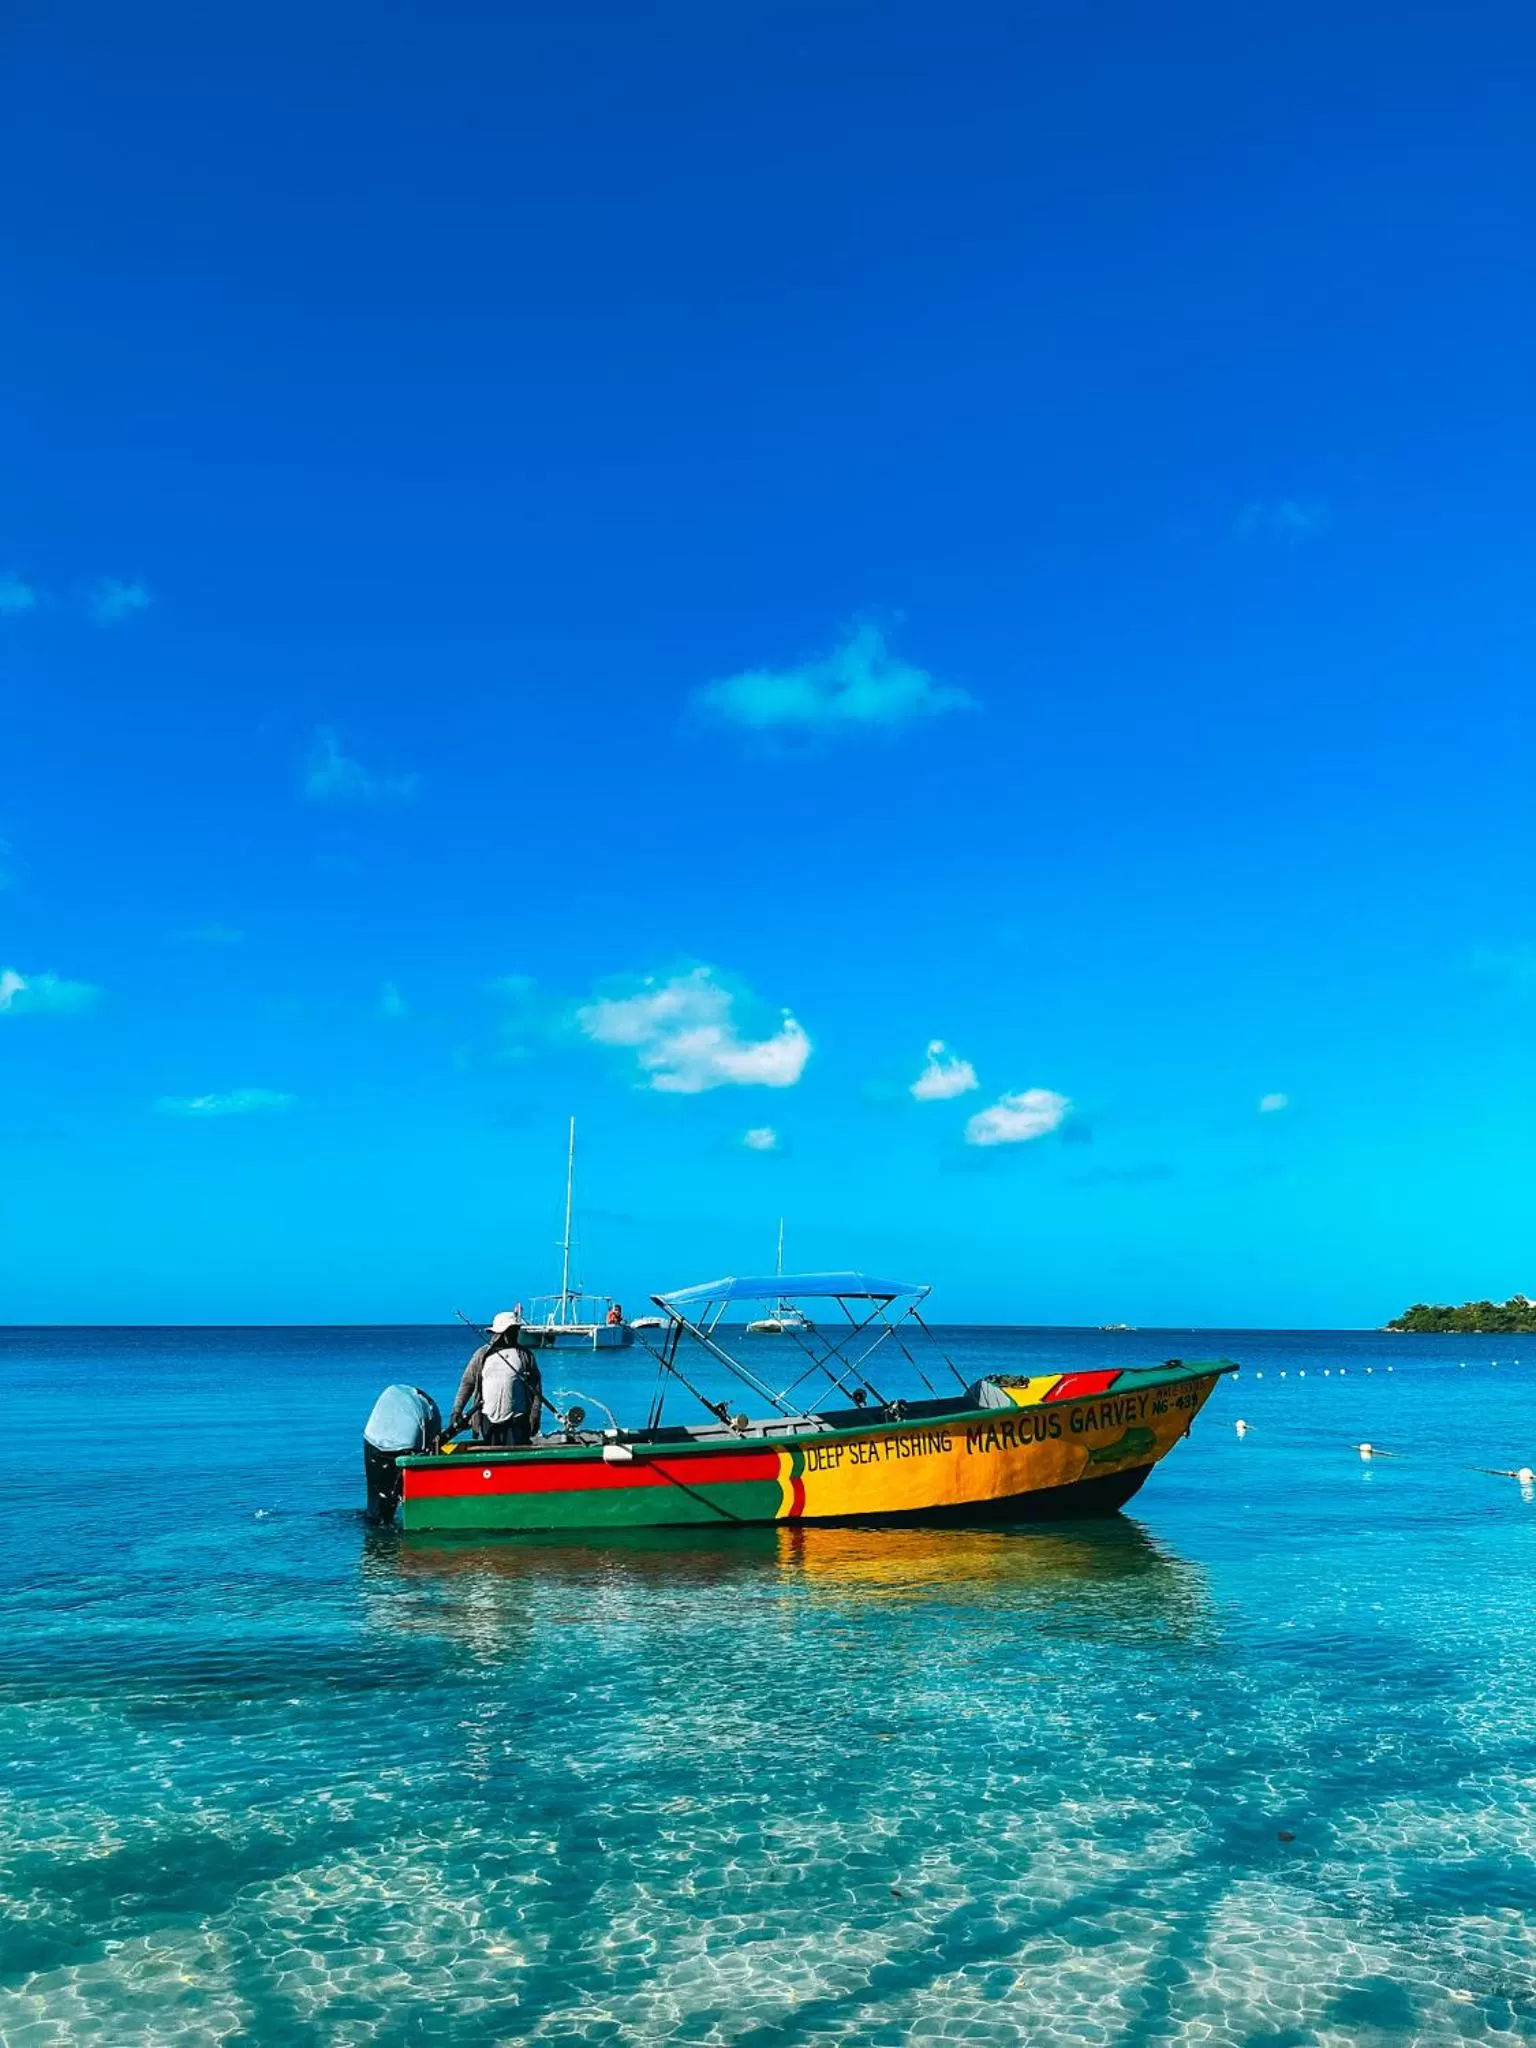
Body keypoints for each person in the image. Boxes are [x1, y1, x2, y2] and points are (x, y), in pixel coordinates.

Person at [446, 1312, 544, 1446]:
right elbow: (467, 1383)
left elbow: (536, 1388)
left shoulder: (525, 1356)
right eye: (512, 1330)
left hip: (517, 1420)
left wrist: (535, 1415)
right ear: (502, 1332)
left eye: (516, 1330)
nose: (516, 1333)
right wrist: (457, 1411)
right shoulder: (482, 1355)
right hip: (488, 1419)